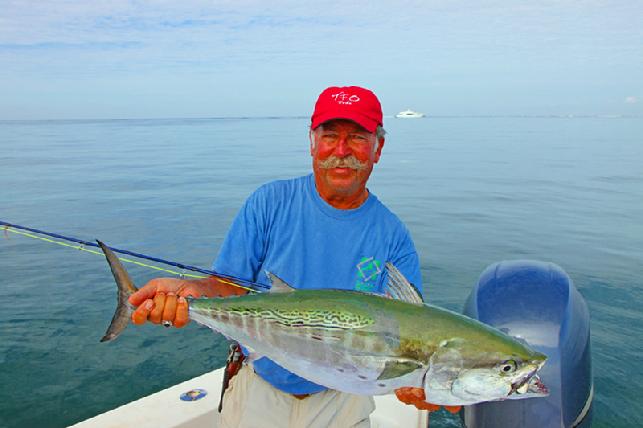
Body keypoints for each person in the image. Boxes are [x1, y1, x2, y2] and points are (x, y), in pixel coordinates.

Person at [128, 85, 455, 427]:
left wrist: (420, 387)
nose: (341, 151)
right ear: (312, 142)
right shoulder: (269, 203)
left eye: (357, 137)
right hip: (260, 387)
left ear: (378, 148)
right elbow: (224, 286)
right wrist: (189, 294)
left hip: (343, 399)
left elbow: (411, 333)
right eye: (330, 136)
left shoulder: (393, 236)